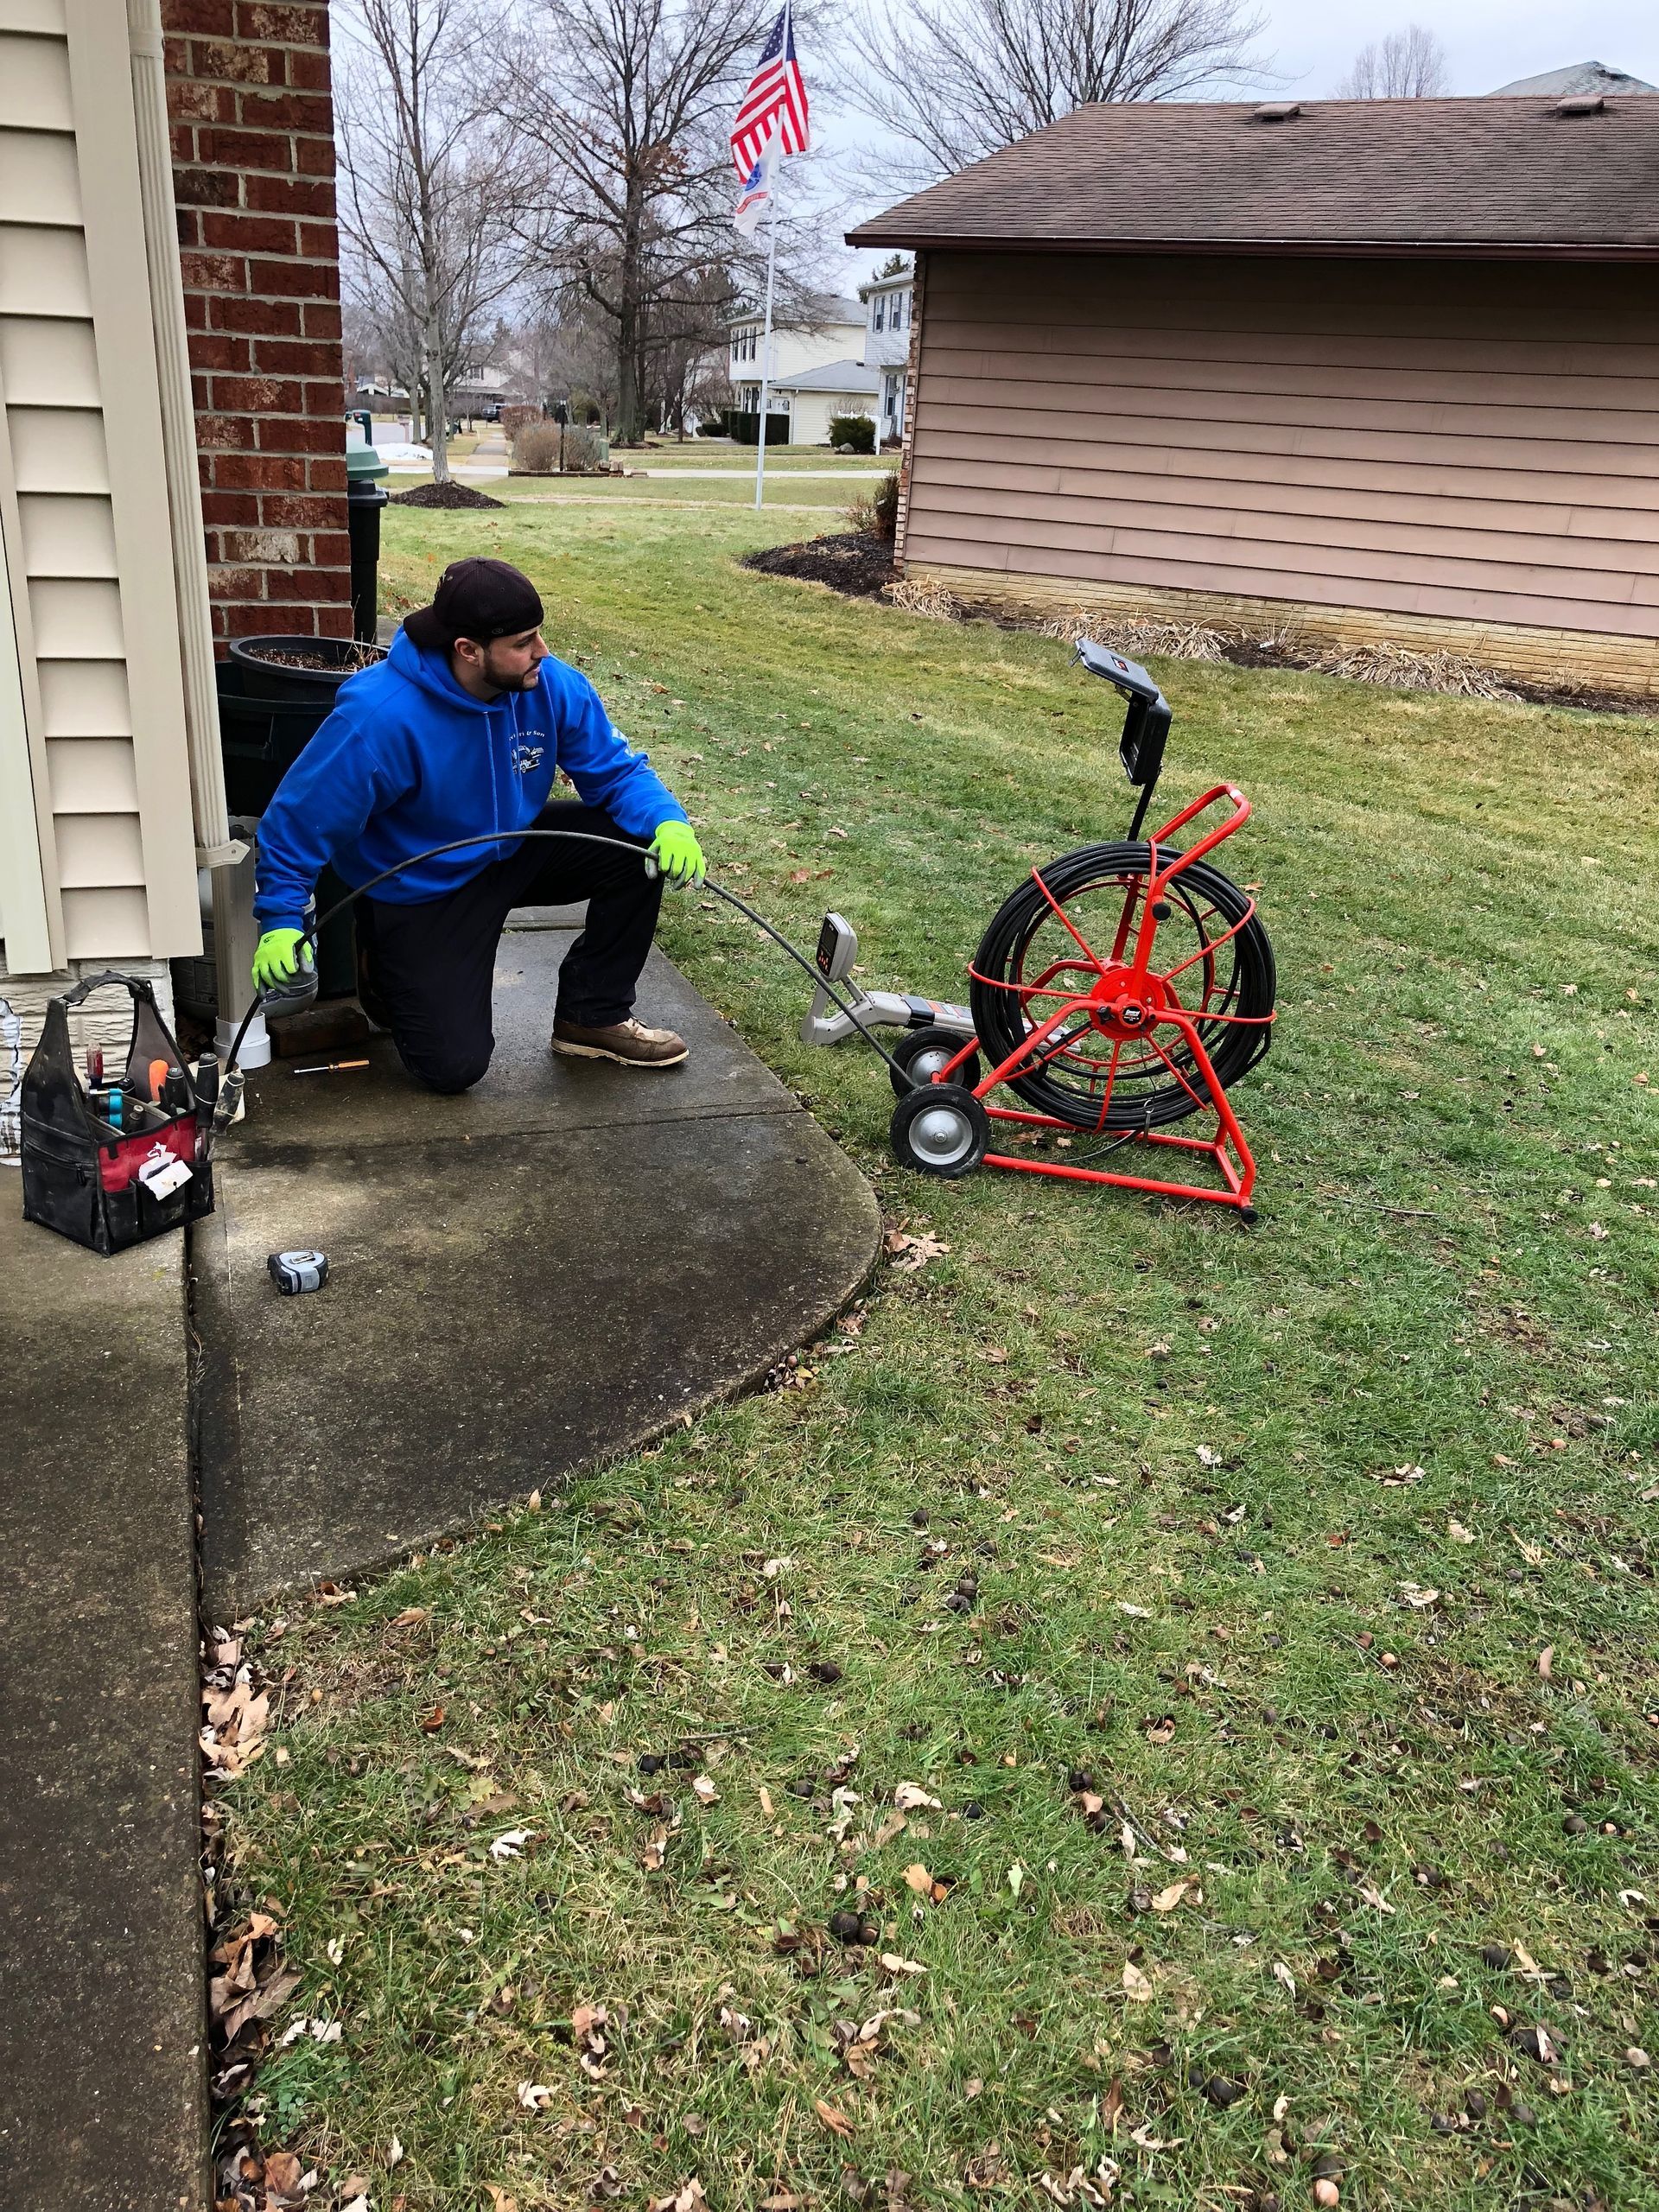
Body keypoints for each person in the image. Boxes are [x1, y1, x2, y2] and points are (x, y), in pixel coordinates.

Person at [248, 557, 706, 1091]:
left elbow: (617, 772)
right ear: (468, 649)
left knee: (636, 847)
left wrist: (668, 823)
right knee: (452, 1068)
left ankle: (592, 1014)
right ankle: (383, 963)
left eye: (540, 635)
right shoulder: (380, 717)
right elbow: (296, 823)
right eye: (523, 642)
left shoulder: (549, 686)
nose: (543, 652)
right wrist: (280, 919)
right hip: (419, 885)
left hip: (509, 850)